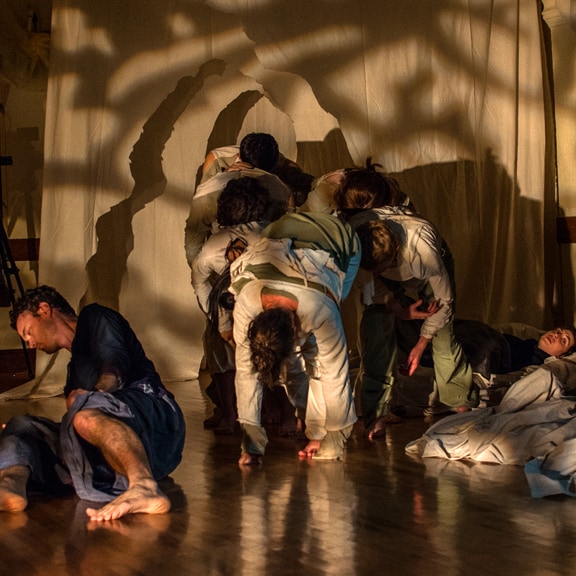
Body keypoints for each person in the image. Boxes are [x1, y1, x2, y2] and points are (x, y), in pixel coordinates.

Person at [0, 286, 185, 521]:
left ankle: (144, 486)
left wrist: (91, 395)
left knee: (83, 415)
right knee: (21, 425)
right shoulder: (74, 371)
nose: (29, 343)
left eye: (27, 332)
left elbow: (114, 370)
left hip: (155, 418)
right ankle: (9, 487)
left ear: (44, 309)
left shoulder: (95, 317)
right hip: (114, 428)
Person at [229, 211, 360, 464]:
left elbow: (336, 373)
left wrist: (332, 439)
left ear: (295, 328)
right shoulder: (246, 303)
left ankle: (318, 432)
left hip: (337, 237)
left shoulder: (319, 310)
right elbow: (245, 371)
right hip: (280, 230)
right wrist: (250, 443)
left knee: (319, 360)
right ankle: (308, 422)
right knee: (284, 363)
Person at [349, 206, 478, 439]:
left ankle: (460, 405)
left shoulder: (424, 252)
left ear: (395, 253)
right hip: (378, 264)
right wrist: (395, 307)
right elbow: (370, 289)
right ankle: (376, 413)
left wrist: (421, 344)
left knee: (443, 336)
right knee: (375, 330)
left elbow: (444, 301)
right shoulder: (354, 242)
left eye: (383, 267)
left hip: (424, 260)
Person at [191, 176, 271, 434]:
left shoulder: (212, 246)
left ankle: (230, 413)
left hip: (238, 305)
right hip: (258, 304)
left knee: (224, 359)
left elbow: (200, 282)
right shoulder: (271, 232)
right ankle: (271, 412)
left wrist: (220, 322)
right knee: (270, 355)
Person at [185, 133, 303, 269]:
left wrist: (198, 270)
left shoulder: (209, 190)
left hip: (252, 251)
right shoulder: (279, 189)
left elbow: (193, 241)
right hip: (231, 249)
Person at [201, 132, 313, 207]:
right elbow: (203, 202)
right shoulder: (217, 160)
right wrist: (223, 177)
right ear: (239, 157)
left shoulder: (275, 160)